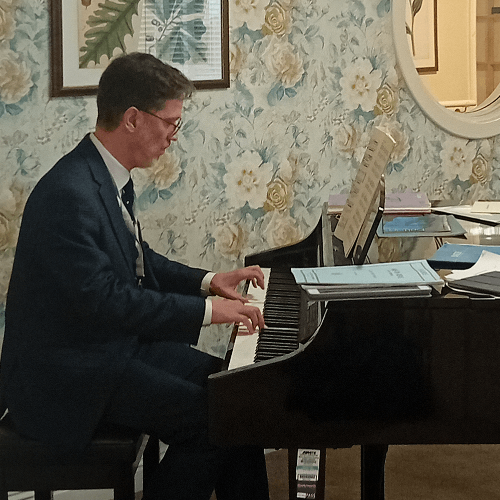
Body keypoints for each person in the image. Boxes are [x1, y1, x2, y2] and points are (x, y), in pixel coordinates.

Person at [0, 52, 270, 500]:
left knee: (237, 395)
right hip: (67, 375)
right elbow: (107, 302)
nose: (172, 136)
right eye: (169, 123)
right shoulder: (69, 193)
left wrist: (208, 281)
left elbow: (138, 258)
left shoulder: (99, 174)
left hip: (105, 350)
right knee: (212, 422)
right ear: (132, 119)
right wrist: (208, 312)